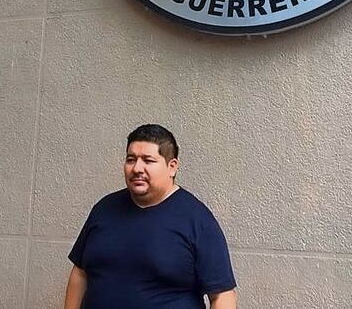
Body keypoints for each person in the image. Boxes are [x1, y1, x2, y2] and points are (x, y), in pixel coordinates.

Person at [63, 124, 238, 309]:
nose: (137, 168)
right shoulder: (104, 209)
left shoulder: (197, 220)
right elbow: (80, 273)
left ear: (172, 167)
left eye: (148, 160)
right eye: (131, 159)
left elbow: (222, 296)